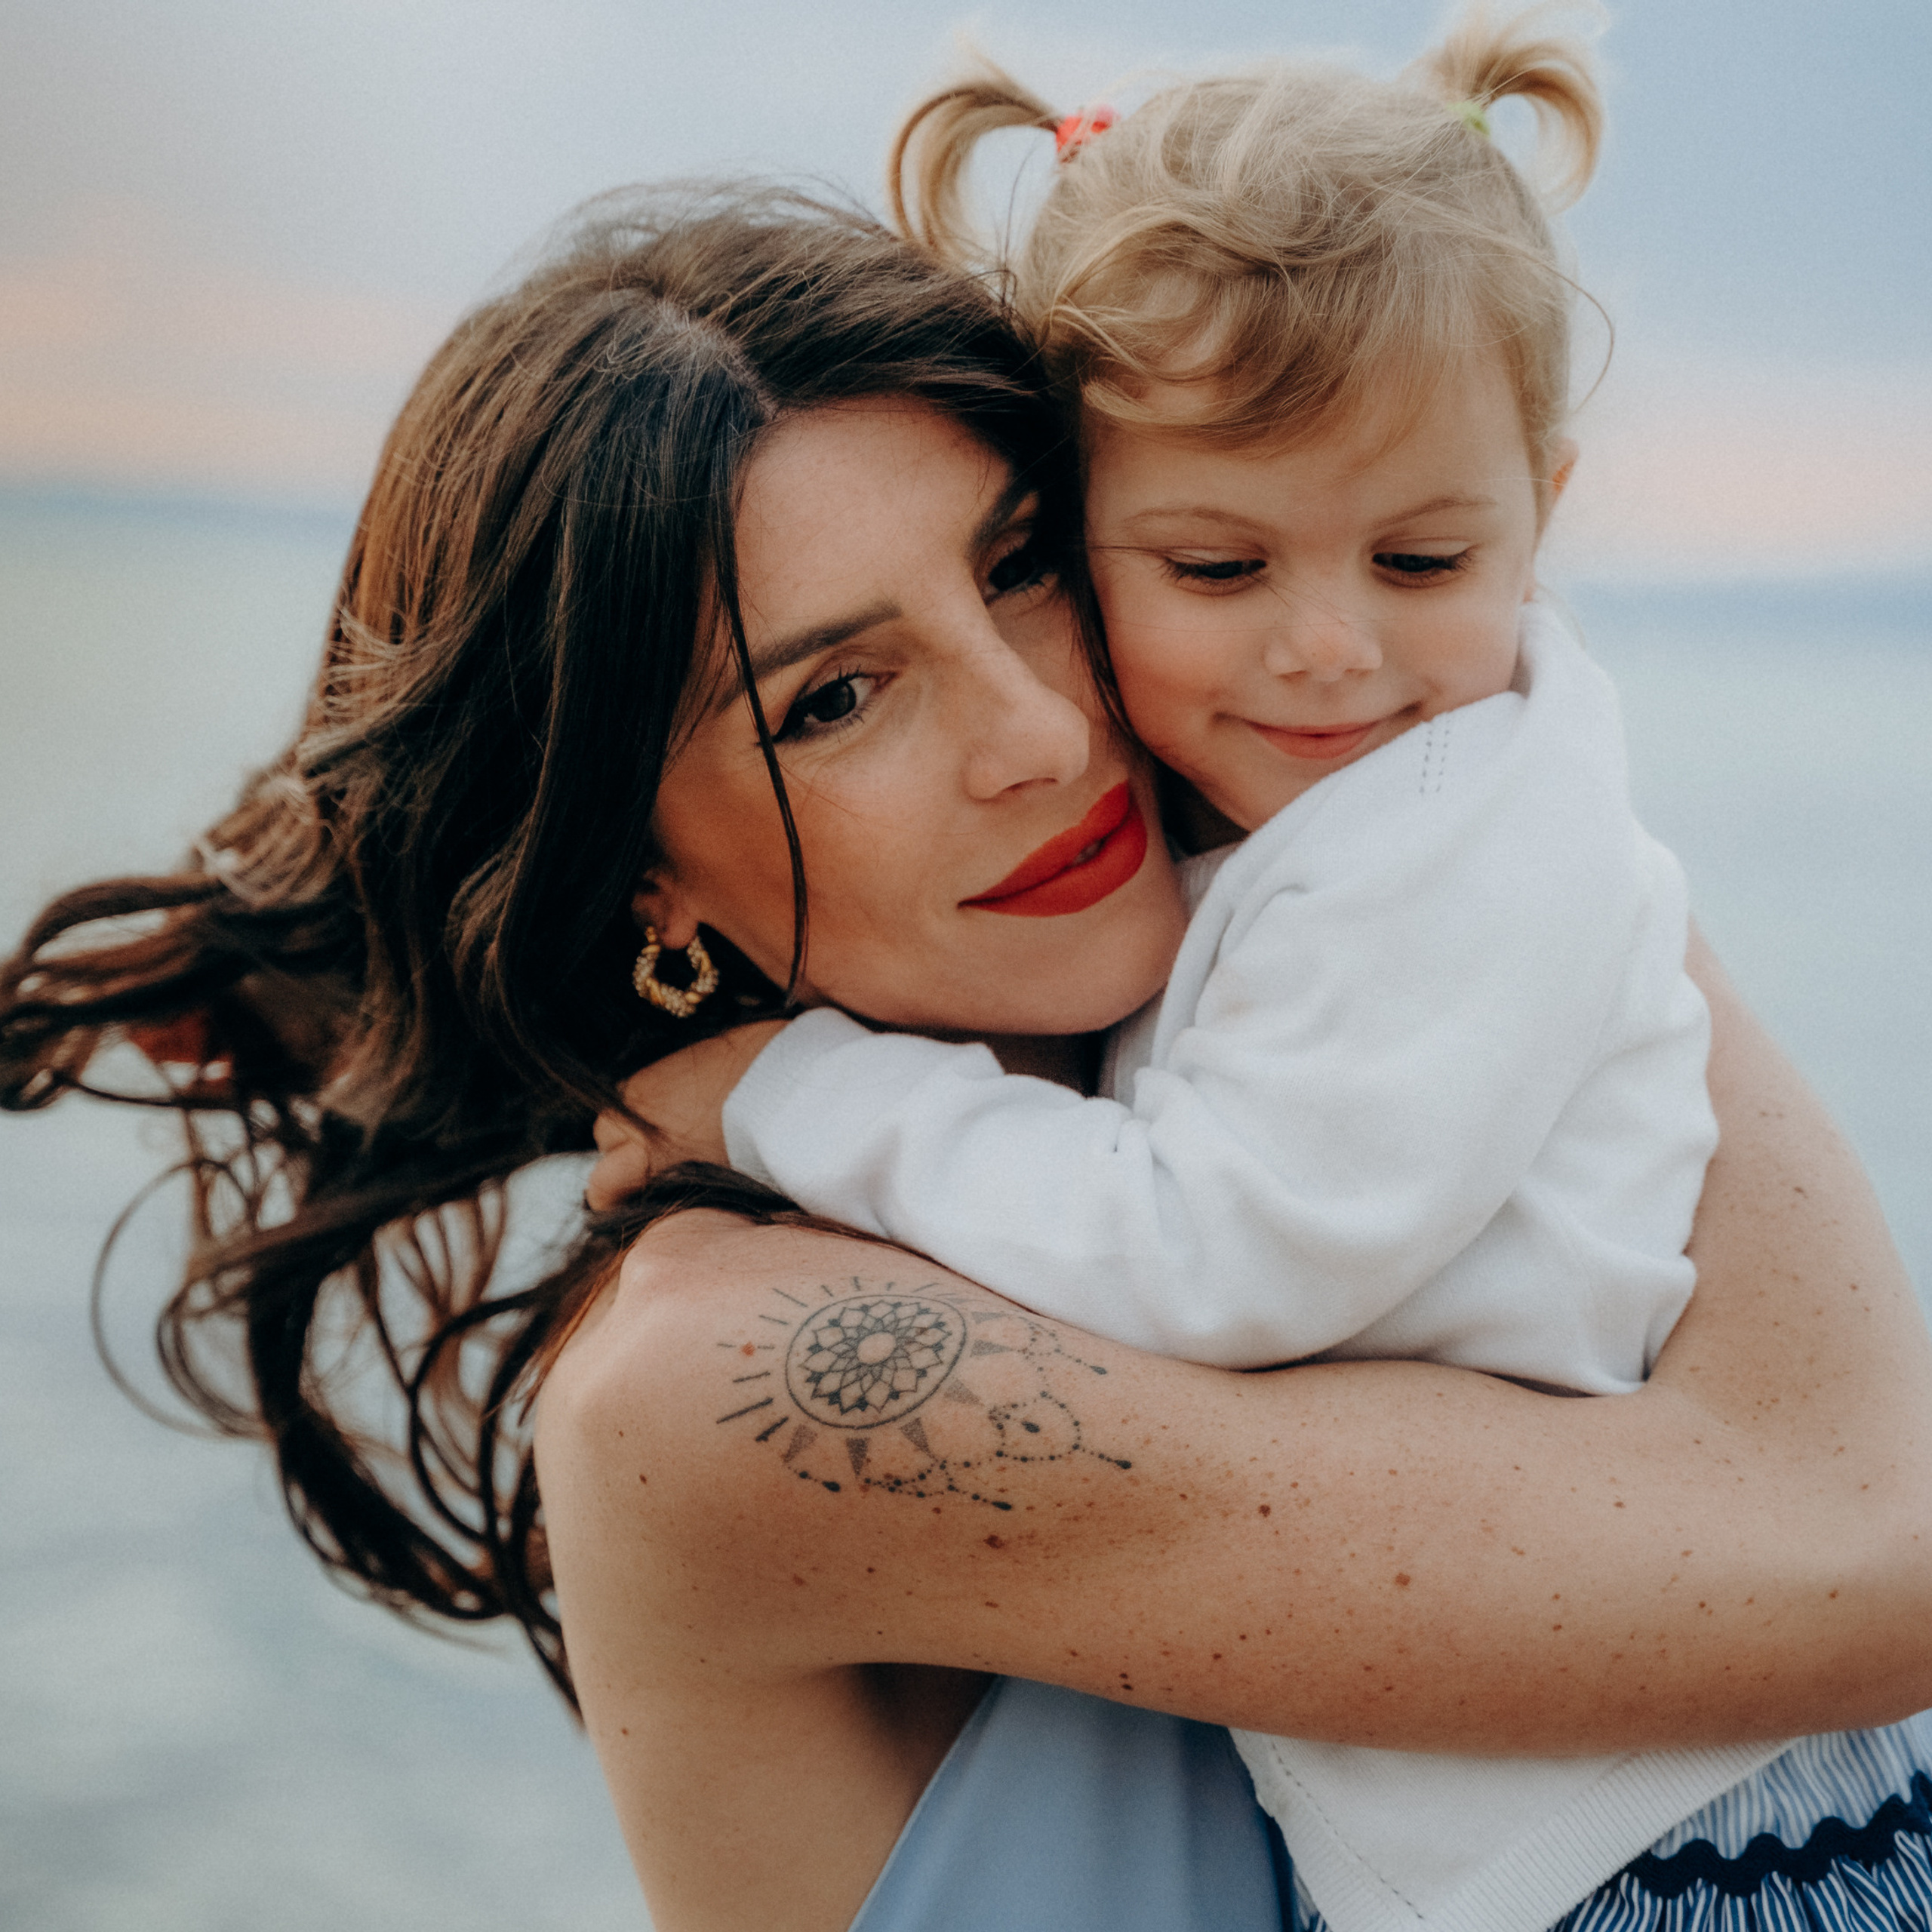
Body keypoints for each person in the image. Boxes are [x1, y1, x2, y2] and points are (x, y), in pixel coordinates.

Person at [2, 187, 1927, 1932]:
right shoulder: (717, 1376)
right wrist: (1508, 780)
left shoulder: (1238, 1033)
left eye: (1021, 566)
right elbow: (1874, 1557)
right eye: (837, 697)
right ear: (637, 869)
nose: (1035, 733)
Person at [592, 16, 1814, 1930]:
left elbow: (1212, 1247)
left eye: (1421, 559)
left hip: (1671, 1853)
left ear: (1536, 513)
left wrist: (784, 1085)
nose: (1326, 653)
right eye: (1213, 572)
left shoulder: (1463, 841)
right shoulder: (1350, 810)